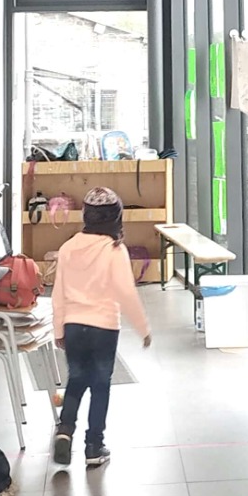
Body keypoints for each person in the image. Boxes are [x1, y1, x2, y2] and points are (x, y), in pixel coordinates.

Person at [51, 187, 151, 468]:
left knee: (76, 379)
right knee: (100, 385)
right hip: (104, 327)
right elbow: (126, 293)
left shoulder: (68, 247)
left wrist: (58, 329)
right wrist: (143, 328)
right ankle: (94, 446)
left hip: (73, 325)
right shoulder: (114, 250)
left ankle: (64, 430)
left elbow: (58, 293)